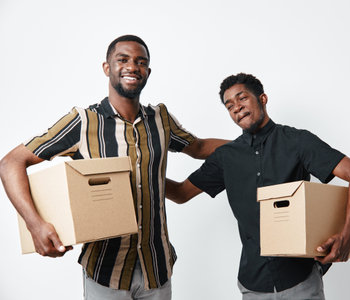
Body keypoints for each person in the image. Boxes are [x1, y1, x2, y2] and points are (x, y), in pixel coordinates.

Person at [0, 35, 228, 300]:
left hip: (157, 269)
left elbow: (198, 147)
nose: (132, 66)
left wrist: (251, 143)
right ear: (107, 68)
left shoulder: (161, 120)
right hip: (105, 272)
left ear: (148, 72)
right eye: (123, 59)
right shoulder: (83, 122)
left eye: (141, 62)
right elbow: (11, 162)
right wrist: (35, 224)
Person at [165, 73, 350, 299]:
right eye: (229, 105)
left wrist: (348, 235)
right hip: (253, 284)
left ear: (262, 99)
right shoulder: (226, 157)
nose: (236, 107)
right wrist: (143, 175)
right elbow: (180, 193)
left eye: (242, 98)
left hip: (300, 280)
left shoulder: (297, 141)